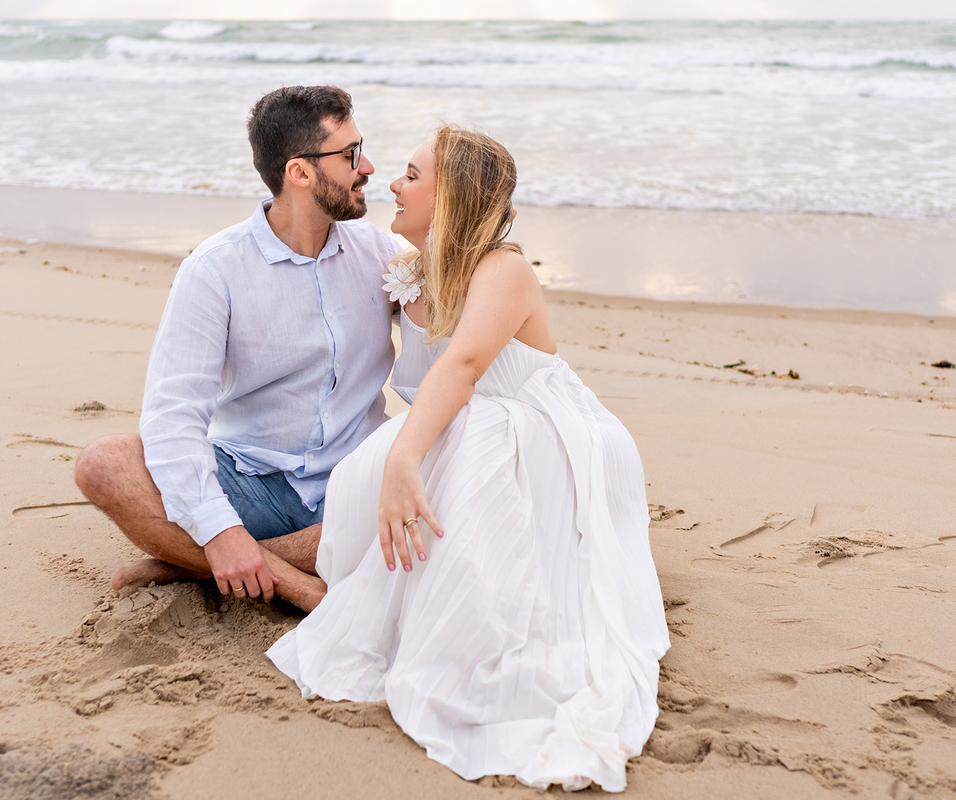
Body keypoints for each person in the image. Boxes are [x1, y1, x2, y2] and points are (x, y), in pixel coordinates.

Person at [267, 126, 670, 791]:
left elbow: (463, 367)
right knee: (429, 448)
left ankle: (253, 562)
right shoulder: (410, 271)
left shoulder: (503, 270)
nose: (393, 184)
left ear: (450, 197)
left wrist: (404, 459)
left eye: (411, 174)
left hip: (550, 435)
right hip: (466, 426)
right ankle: (246, 557)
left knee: (462, 433)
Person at [74, 86, 402, 613]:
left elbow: (449, 344)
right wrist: (221, 527)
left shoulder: (383, 254)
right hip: (249, 483)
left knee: (448, 480)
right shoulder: (215, 269)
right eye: (350, 154)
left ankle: (191, 565)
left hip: (352, 485)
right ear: (299, 172)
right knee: (104, 463)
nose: (367, 167)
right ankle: (297, 584)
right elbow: (173, 415)